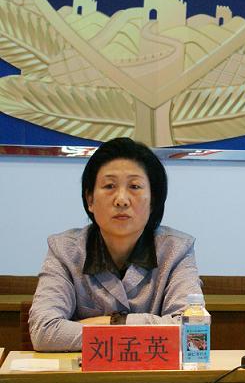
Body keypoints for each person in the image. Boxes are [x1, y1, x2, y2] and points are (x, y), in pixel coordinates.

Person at [29, 137, 202, 351]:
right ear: (90, 200)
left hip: (154, 372)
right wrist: (147, 328)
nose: (121, 200)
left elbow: (192, 331)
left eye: (135, 186)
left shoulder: (177, 250)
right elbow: (44, 331)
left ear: (153, 201)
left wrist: (113, 322)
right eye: (109, 186)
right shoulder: (64, 250)